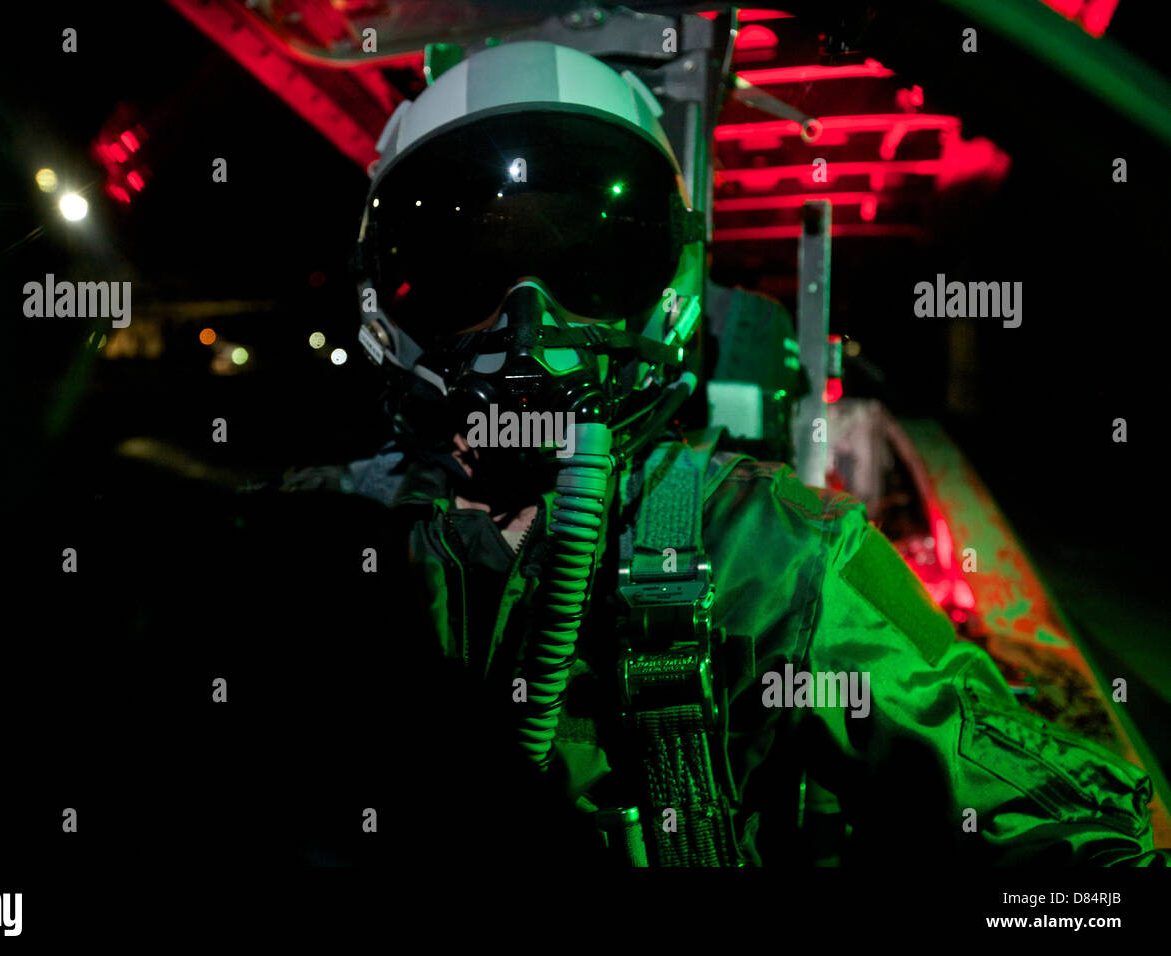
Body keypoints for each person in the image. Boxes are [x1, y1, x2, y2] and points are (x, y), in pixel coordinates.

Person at [322, 38, 1167, 866]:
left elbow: (1060, 840)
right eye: (472, 275)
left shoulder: (773, 555)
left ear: (666, 289)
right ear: (386, 304)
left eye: (586, 272)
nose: (530, 328)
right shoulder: (310, 541)